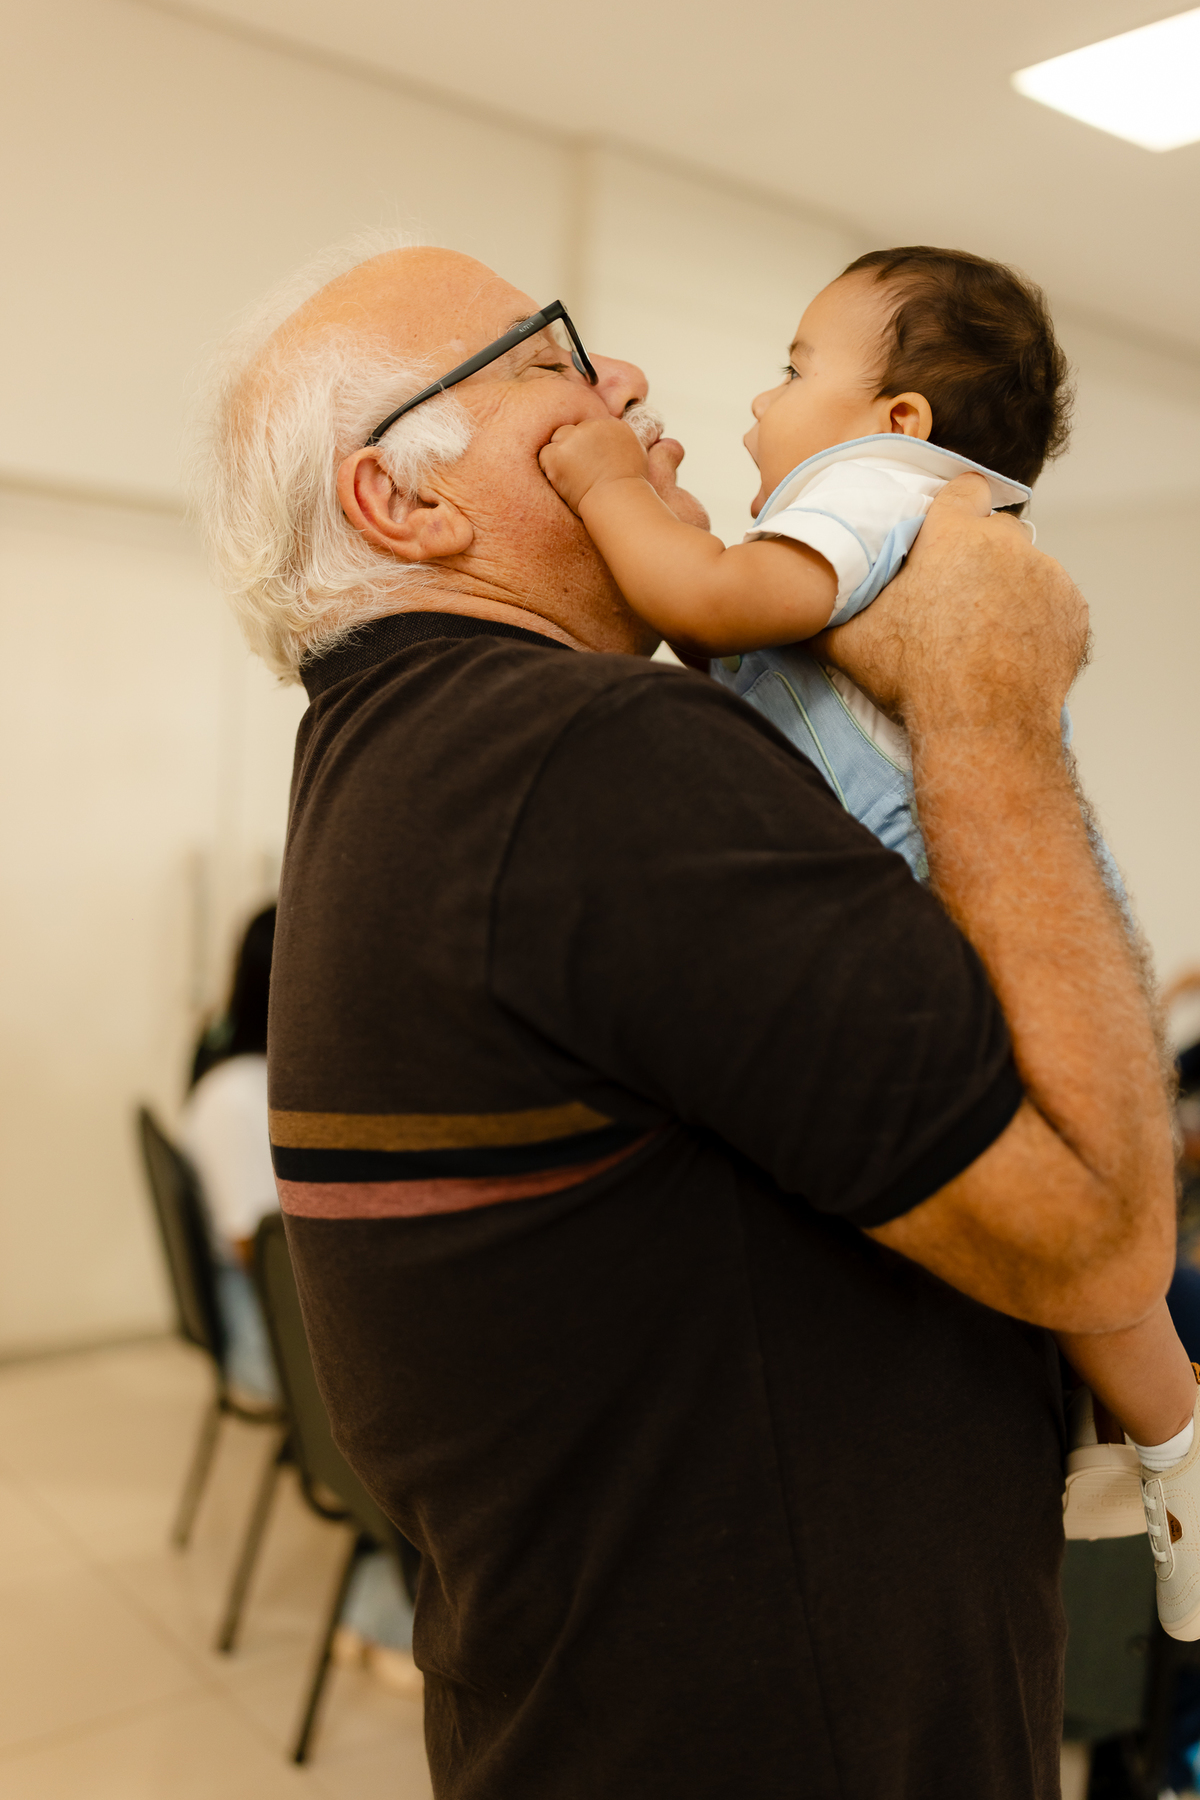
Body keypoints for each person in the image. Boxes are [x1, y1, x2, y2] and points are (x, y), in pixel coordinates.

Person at [196, 234, 1176, 1800]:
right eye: (552, 361)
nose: (630, 381)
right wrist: (989, 693)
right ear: (405, 502)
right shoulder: (588, 754)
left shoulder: (402, 755)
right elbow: (1101, 1233)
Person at [536, 244, 1200, 1635]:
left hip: (961, 893)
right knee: (1044, 1204)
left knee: (1076, 1201)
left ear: (899, 416)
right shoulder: (880, 518)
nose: (758, 402)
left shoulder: (881, 487)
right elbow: (730, 652)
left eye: (792, 369)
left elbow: (709, 605)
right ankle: (1151, 1439)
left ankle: (1177, 1442)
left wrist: (601, 484)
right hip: (941, 892)